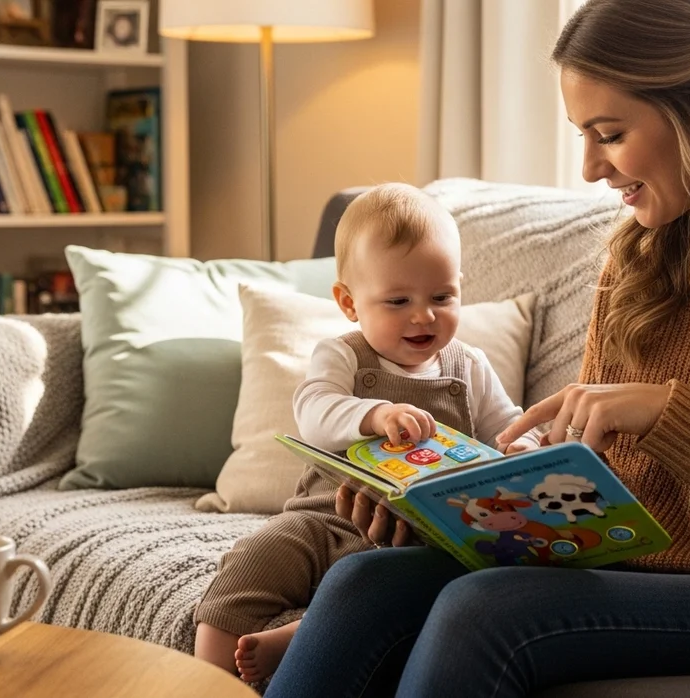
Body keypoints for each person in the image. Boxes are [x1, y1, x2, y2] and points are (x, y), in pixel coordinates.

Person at [266, 0, 690, 695]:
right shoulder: (642, 250)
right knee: (362, 584)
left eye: (610, 134)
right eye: (583, 135)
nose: (590, 167)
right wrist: (442, 511)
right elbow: (592, 488)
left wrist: (671, 417)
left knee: (484, 612)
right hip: (623, 568)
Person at [193, 183, 539, 682]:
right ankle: (205, 680)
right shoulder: (343, 355)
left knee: (401, 587)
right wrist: (375, 415)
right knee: (251, 561)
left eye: (442, 296)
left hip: (419, 537)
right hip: (322, 519)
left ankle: (299, 637)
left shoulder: (469, 366)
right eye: (398, 300)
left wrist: (522, 444)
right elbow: (313, 411)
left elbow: (506, 425)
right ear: (349, 302)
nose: (423, 315)